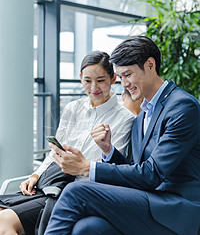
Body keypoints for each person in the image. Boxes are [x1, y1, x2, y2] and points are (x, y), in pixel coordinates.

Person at [43, 36, 200, 235]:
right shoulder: (142, 116)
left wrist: (87, 168)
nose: (124, 84)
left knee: (76, 192)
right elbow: (135, 168)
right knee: (87, 228)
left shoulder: (181, 107)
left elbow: (152, 174)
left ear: (150, 65)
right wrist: (108, 151)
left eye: (128, 75)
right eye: (120, 76)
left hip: (176, 207)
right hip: (150, 200)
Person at [0, 51, 134, 235]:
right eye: (87, 81)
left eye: (101, 80)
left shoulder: (125, 119)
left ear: (112, 79)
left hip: (72, 191)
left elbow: (109, 167)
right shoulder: (73, 108)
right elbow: (55, 151)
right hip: (49, 183)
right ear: (80, 78)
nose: (94, 87)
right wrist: (35, 176)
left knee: (4, 220)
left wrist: (80, 164)